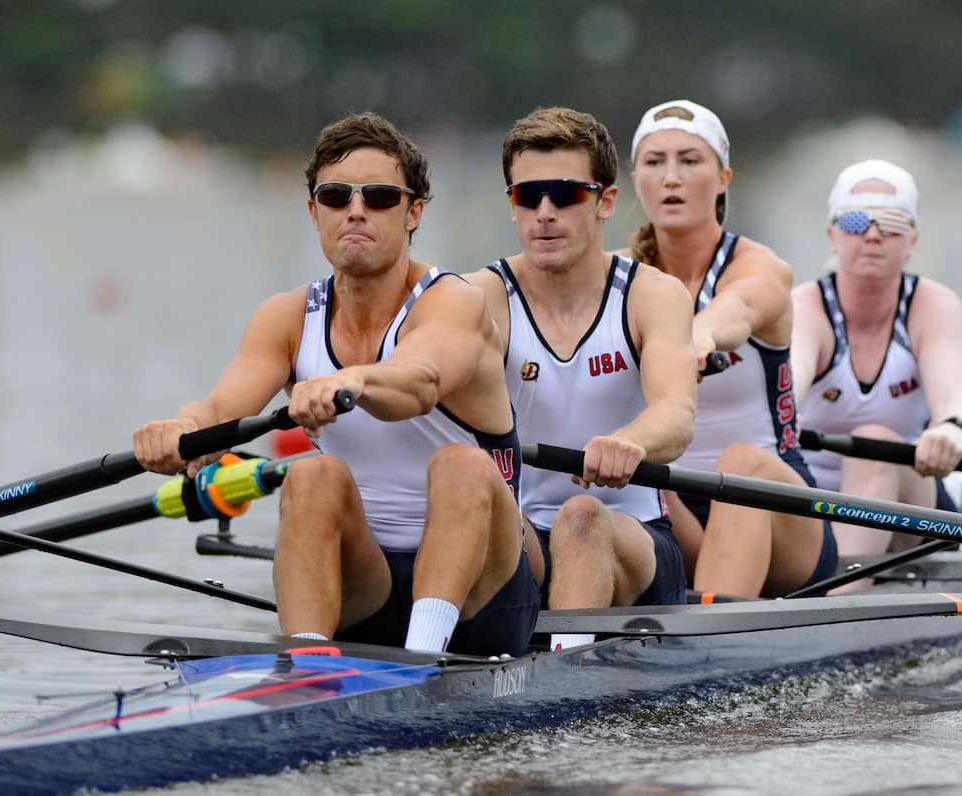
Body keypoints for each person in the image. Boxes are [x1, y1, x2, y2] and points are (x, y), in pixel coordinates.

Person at [133, 112, 537, 656]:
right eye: (336, 196)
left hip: (481, 598)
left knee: (462, 464)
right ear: (313, 211)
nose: (356, 211)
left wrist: (355, 380)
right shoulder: (287, 316)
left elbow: (421, 382)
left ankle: (422, 658)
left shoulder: (454, 301)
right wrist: (183, 431)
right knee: (310, 476)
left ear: (413, 212)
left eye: (379, 197)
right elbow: (220, 408)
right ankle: (305, 666)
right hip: (363, 586)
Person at [466, 106, 698, 650]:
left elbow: (678, 413)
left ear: (605, 202)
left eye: (565, 194)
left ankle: (559, 695)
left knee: (581, 515)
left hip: (632, 540)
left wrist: (630, 442)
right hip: (522, 539)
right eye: (528, 196)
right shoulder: (479, 297)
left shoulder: (652, 294)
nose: (545, 212)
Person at [624, 99, 835, 600]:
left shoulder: (760, 268)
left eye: (690, 161)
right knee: (620, 464)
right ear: (635, 179)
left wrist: (696, 337)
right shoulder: (616, 276)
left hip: (778, 511)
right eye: (655, 162)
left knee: (741, 460)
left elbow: (737, 310)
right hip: (669, 507)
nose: (670, 177)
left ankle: (706, 650)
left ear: (723, 178)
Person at [791, 158, 962, 566]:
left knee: (875, 443)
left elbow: (956, 395)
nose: (873, 235)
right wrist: (782, 411)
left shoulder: (933, 305)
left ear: (911, 240)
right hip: (811, 503)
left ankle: (836, 604)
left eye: (891, 223)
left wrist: (952, 427)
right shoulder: (806, 307)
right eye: (856, 222)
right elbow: (792, 376)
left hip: (914, 502)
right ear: (832, 235)